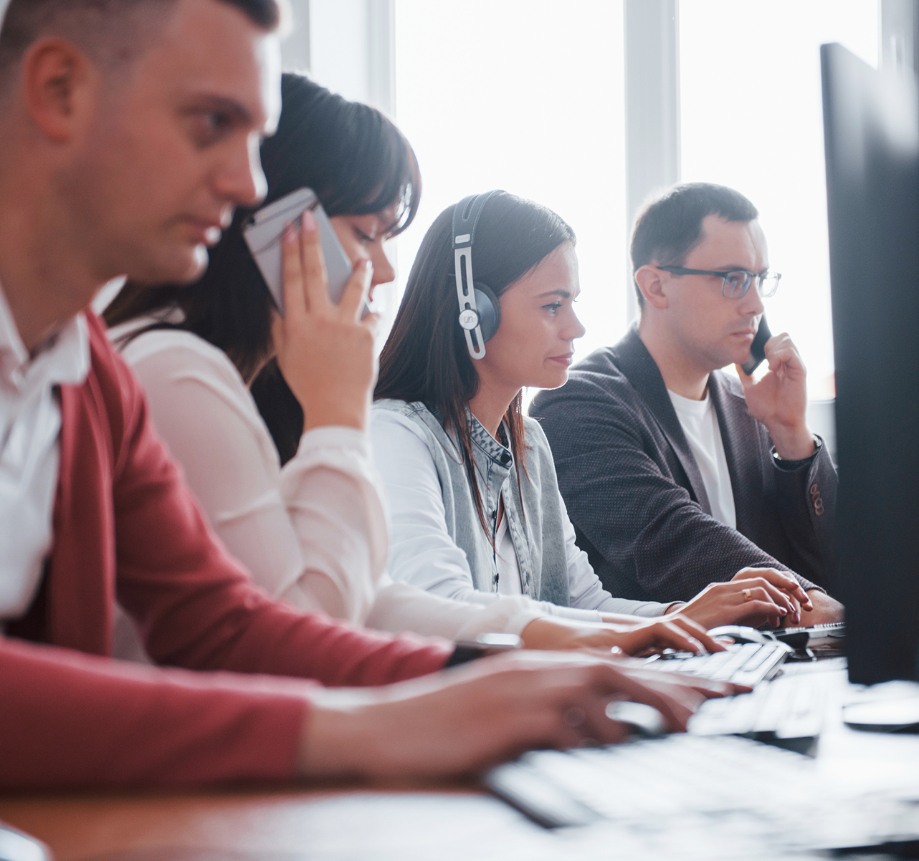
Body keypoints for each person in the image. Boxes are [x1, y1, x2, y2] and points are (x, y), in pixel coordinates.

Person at [0, 0, 730, 790]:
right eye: (212, 120)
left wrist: (482, 673)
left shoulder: (92, 376)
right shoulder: (164, 369)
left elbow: (225, 629)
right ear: (60, 89)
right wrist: (381, 720)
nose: (247, 181)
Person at [105, 73, 727, 657]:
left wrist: (649, 629)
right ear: (271, 229)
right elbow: (310, 625)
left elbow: (371, 600)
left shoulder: (242, 390)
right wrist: (338, 414)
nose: (383, 270)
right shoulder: (181, 372)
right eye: (365, 233)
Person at [372, 190, 809, 636]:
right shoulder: (396, 436)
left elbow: (583, 601)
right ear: (473, 312)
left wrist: (681, 616)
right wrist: (656, 627)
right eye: (551, 306)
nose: (575, 327)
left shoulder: (530, 445)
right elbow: (442, 608)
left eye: (572, 303)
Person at [531, 183, 843, 624]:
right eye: (733, 279)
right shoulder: (577, 404)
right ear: (656, 286)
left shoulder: (749, 406)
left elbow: (839, 565)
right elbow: (673, 541)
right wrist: (840, 617)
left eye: (759, 279)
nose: (754, 304)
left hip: (769, 670)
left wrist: (792, 434)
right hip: (657, 677)